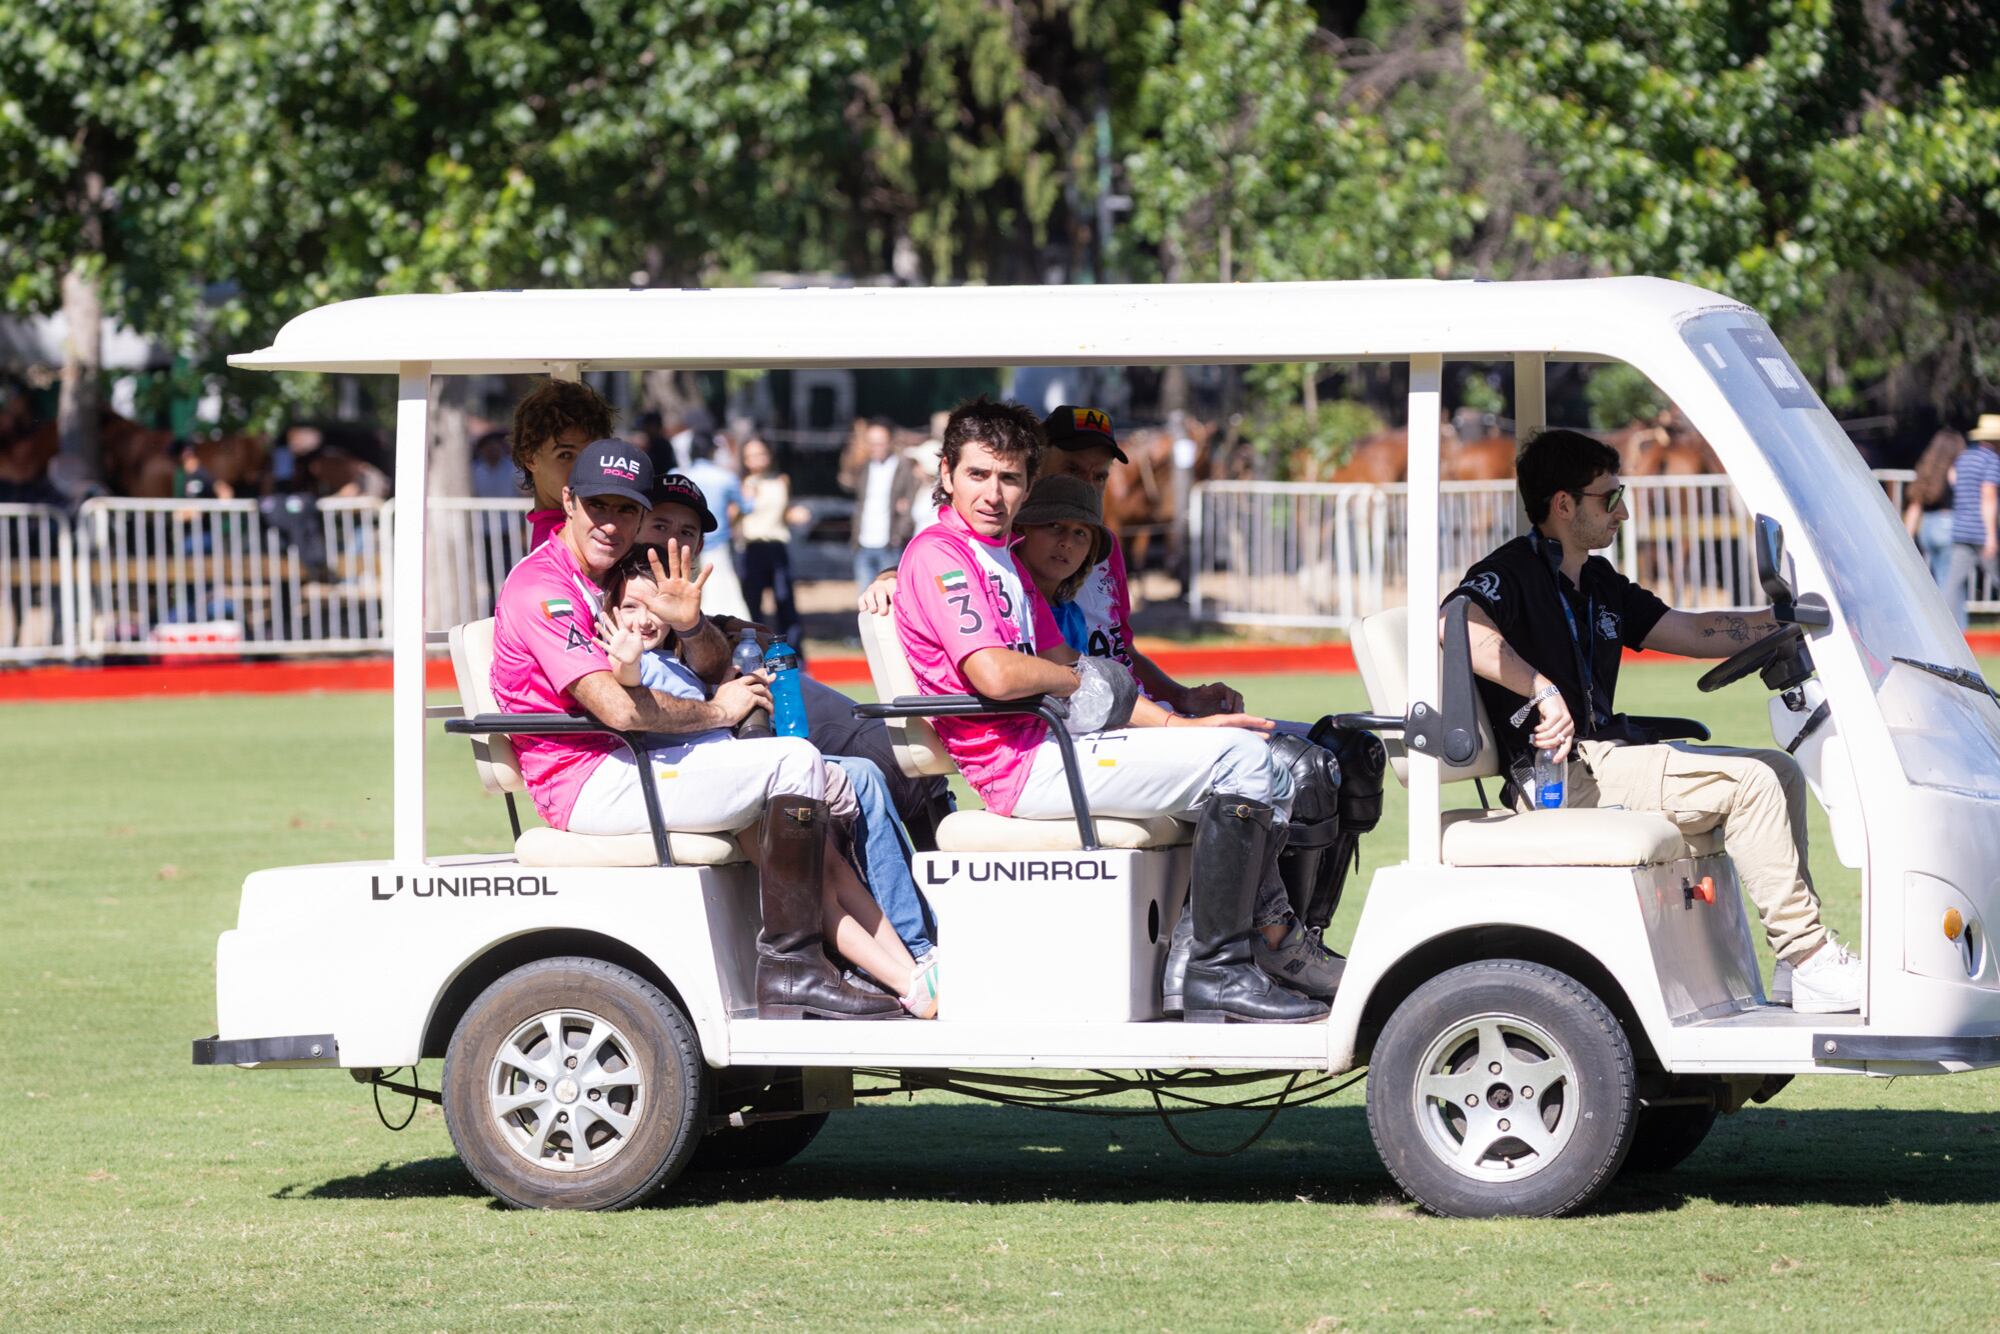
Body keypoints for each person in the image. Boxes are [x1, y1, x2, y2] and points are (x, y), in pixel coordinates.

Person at [895, 396, 1329, 1024]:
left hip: (1051, 750)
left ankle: (1239, 953)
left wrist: (1182, 726)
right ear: (945, 473)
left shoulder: (999, 560)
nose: (994, 493)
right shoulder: (943, 554)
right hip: (1019, 766)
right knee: (1244, 762)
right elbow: (997, 670)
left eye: (1010, 478)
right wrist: (1075, 680)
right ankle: (1217, 968)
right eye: (977, 475)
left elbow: (1092, 674)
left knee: (1251, 756)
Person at [1446, 427, 1864, 1014]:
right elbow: (1454, 627)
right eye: (1609, 498)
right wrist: (1542, 690)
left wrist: (1796, 621)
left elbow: (1694, 631)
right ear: (1563, 504)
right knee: (1753, 784)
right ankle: (1810, 954)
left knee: (1780, 770)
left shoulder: (1595, 581)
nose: (1622, 511)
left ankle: (1798, 971)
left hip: (1603, 761)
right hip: (1556, 778)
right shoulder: (1511, 571)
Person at [490, 440, 902, 1021]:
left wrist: (699, 634)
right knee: (796, 762)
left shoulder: (597, 577)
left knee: (817, 792)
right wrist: (721, 710)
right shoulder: (544, 586)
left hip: (629, 764)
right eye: (599, 506)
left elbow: (676, 671)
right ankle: (792, 967)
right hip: (588, 779)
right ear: (568, 500)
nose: (612, 523)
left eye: (627, 510)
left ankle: (907, 972)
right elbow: (622, 710)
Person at [596, 546, 937, 1016]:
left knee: (829, 865)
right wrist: (629, 659)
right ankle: (901, 979)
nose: (644, 619)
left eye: (654, 607)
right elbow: (626, 686)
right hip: (709, 790)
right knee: (811, 882)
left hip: (731, 780)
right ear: (610, 611)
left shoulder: (675, 661)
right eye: (631, 607)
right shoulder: (631, 658)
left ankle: (915, 970)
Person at [636, 473, 943, 966]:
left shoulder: (686, 600)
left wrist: (714, 630)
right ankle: (910, 949)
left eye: (688, 532)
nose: (673, 539)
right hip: (704, 741)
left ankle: (928, 935)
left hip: (740, 711)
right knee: (862, 769)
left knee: (889, 758)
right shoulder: (620, 595)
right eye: (660, 524)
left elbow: (722, 650)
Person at [509, 379, 616, 551]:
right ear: (530, 458)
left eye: (592, 453)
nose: (583, 468)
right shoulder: (557, 545)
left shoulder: (589, 526)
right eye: (565, 455)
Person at [1011, 473, 1112, 654]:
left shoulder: (1073, 617)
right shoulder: (1005, 602)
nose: (1067, 542)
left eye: (1080, 533)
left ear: (1090, 551)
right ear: (1020, 528)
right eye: (1054, 525)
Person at [736, 435, 807, 649]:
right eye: (751, 455)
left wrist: (796, 514)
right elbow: (731, 518)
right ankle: (756, 651)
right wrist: (743, 501)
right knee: (752, 606)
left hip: (776, 546)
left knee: (785, 602)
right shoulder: (741, 484)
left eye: (760, 453)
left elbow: (784, 514)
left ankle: (793, 653)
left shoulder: (781, 481)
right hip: (752, 548)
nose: (757, 459)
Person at [679, 436, 751, 621]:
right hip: (717, 545)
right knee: (725, 600)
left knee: (685, 598)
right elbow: (746, 507)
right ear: (712, 451)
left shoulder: (678, 475)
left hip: (683, 546)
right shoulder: (725, 478)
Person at [1943, 415, 2000, 630]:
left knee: (1952, 582)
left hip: (1961, 528)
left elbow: (1953, 479)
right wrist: (1991, 535)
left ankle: (1946, 627)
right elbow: (1988, 496)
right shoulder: (1992, 460)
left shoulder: (1964, 457)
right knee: (1996, 576)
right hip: (1981, 530)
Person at [842, 417, 910, 589]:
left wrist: (900, 533)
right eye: (871, 443)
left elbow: (910, 503)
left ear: (890, 441)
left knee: (889, 599)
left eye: (880, 442)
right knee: (865, 600)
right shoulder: (863, 467)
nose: (875, 448)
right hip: (863, 543)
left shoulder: (903, 467)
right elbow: (845, 481)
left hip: (890, 543)